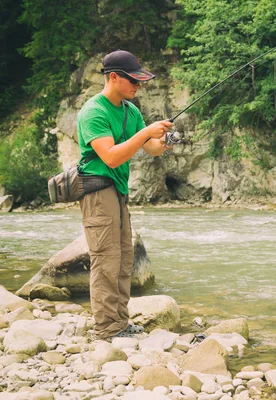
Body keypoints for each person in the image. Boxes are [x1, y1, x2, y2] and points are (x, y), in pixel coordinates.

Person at [77, 49, 173, 340]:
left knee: (123, 258)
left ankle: (120, 321)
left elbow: (150, 148)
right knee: (106, 259)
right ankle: (107, 328)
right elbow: (111, 157)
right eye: (133, 80)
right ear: (114, 77)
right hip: (97, 190)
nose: (138, 85)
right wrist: (145, 134)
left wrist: (164, 140)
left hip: (118, 191)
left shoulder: (131, 111)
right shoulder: (93, 112)